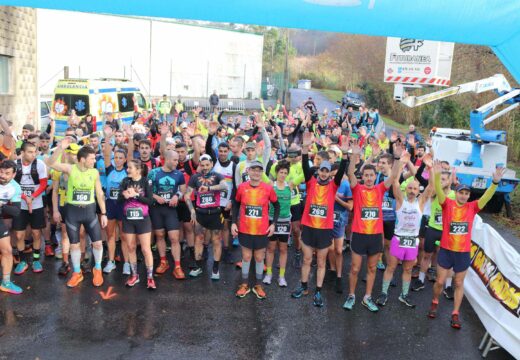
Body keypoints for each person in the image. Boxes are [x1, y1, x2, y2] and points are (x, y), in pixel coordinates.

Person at [427, 161, 505, 329]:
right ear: (456, 193)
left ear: (469, 196)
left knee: (459, 283)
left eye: (466, 193)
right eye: (461, 192)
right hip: (447, 250)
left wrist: (495, 183)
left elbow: (486, 197)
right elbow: (439, 190)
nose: (463, 196)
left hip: (462, 252)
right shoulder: (447, 204)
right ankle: (435, 301)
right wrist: (437, 175)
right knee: (440, 281)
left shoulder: (472, 207)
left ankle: (455, 313)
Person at [342, 139, 402, 312]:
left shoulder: (380, 189)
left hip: (375, 236)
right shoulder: (357, 188)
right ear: (364, 177)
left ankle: (367, 297)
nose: (368, 178)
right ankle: (351, 295)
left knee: (372, 267)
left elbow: (393, 176)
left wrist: (397, 159)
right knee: (354, 268)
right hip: (359, 235)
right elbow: (351, 174)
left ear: (375, 177)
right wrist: (354, 155)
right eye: (366, 176)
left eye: (371, 176)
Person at [291, 132, 348, 307]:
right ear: (318, 172)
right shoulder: (310, 182)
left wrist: (345, 155)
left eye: (326, 171)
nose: (323, 173)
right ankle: (303, 287)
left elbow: (342, 171)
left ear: (329, 173)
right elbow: (304, 165)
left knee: (321, 261)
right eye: (321, 170)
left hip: (324, 230)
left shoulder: (333, 185)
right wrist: (305, 149)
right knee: (307, 260)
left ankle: (318, 292)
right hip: (309, 227)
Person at [46, 138, 108, 288]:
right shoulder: (70, 168)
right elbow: (50, 163)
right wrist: (60, 148)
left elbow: (99, 193)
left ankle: (97, 268)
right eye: (92, 158)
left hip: (90, 211)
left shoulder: (94, 172)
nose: (94, 160)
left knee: (98, 243)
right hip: (72, 212)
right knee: (74, 245)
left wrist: (104, 213)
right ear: (82, 159)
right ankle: (76, 272)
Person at [376, 157, 431, 308]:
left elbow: (431, 187)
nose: (412, 191)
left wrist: (431, 170)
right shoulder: (400, 200)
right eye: (410, 188)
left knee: (408, 269)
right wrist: (399, 164)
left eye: (415, 189)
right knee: (391, 267)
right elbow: (395, 181)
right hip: (399, 240)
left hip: (412, 242)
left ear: (418, 190)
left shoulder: (421, 203)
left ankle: (404, 295)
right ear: (405, 189)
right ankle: (384, 293)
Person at [232, 160, 280, 299]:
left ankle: (258, 285)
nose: (256, 173)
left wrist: (273, 224)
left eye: (259, 170)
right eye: (253, 170)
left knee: (259, 258)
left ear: (262, 172)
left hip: (261, 230)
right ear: (248, 171)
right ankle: (244, 284)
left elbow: (276, 206)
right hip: (245, 229)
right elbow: (235, 204)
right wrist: (234, 223)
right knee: (246, 257)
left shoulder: (268, 188)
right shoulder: (241, 187)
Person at [184, 154, 228, 279]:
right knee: (199, 239)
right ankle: (198, 266)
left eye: (207, 165)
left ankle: (215, 268)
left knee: (216, 240)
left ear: (212, 164)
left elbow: (225, 186)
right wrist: (192, 211)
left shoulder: (218, 176)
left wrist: (208, 187)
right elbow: (187, 195)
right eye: (202, 165)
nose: (205, 167)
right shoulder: (195, 177)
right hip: (200, 214)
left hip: (215, 213)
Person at [148, 150, 187, 279]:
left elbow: (183, 190)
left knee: (174, 237)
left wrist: (177, 196)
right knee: (159, 235)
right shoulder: (153, 173)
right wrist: (156, 197)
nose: (177, 162)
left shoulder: (178, 174)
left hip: (171, 209)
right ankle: (163, 262)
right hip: (156, 209)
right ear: (168, 159)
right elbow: (146, 191)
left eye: (178, 160)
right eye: (175, 160)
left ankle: (177, 266)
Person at [119, 159, 156, 289]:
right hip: (128, 219)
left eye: (130, 168)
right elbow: (118, 199)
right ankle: (134, 275)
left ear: (138, 170)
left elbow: (150, 201)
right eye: (127, 168)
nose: (127, 170)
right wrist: (124, 195)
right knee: (131, 247)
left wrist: (135, 195)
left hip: (143, 219)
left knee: (146, 249)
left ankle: (150, 277)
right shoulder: (125, 181)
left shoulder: (146, 181)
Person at [12, 142, 48, 275]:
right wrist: (24, 197)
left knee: (36, 233)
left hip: (36, 203)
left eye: (35, 152)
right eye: (30, 152)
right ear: (22, 152)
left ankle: (36, 260)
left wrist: (32, 197)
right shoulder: (15, 164)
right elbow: (11, 183)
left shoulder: (40, 164)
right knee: (19, 234)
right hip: (20, 203)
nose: (33, 154)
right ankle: (22, 261)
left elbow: (43, 184)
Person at [263, 160, 292, 287]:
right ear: (276, 172)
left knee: (283, 249)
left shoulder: (290, 186)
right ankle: (268, 274)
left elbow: (303, 174)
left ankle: (281, 276)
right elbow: (262, 172)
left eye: (285, 173)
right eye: (281, 172)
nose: (283, 175)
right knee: (270, 248)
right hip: (272, 220)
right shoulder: (270, 184)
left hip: (285, 221)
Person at [0, 161, 22, 294]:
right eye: (1, 172)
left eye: (7, 173)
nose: (2, 175)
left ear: (14, 175)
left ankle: (6, 282)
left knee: (7, 250)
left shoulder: (15, 187)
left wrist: (2, 206)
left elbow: (16, 211)